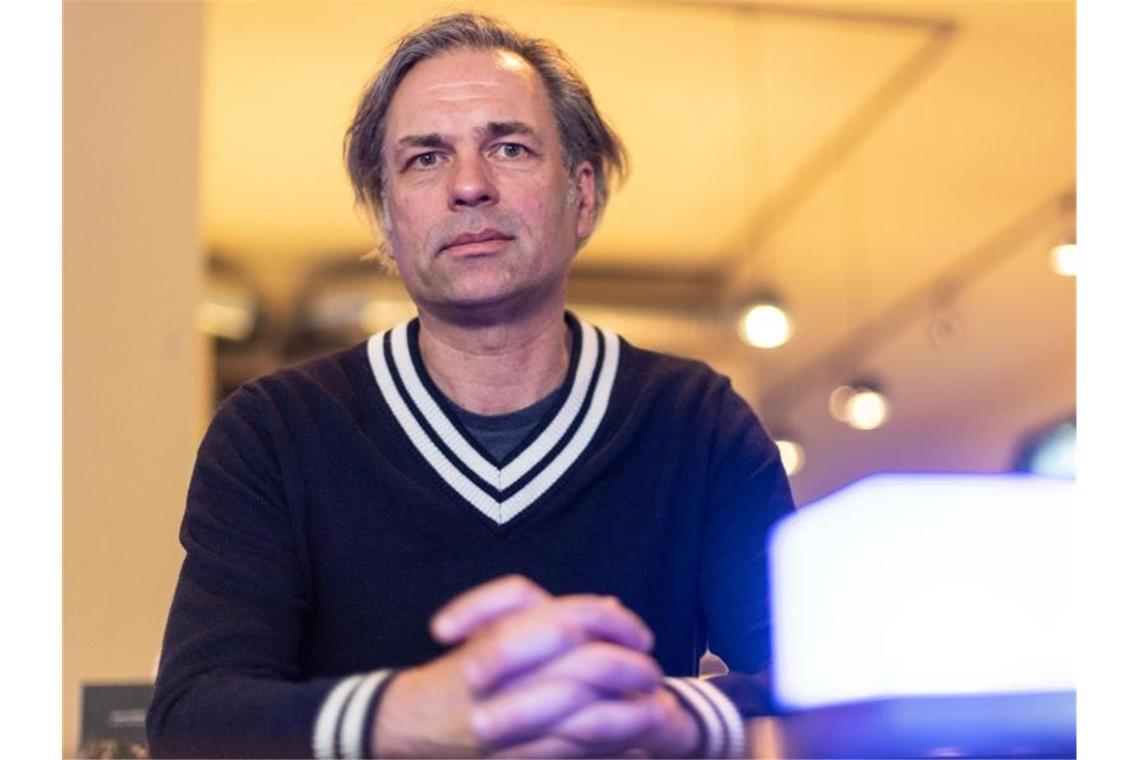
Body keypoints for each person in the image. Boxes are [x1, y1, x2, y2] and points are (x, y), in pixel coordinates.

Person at [146, 12, 795, 759]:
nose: (469, 186)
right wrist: (411, 712)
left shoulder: (698, 424)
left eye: (509, 148)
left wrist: (656, 711)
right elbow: (194, 719)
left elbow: (817, 679)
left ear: (581, 197)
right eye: (425, 159)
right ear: (387, 221)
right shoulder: (272, 433)